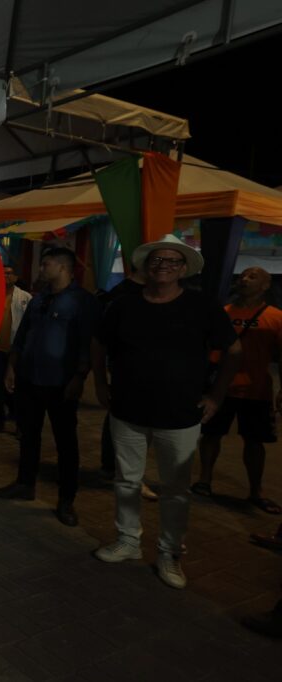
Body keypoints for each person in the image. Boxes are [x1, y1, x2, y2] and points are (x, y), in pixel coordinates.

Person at [92, 234, 240, 589]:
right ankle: (128, 541)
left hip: (181, 414)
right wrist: (100, 383)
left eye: (172, 261)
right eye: (157, 260)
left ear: (183, 269)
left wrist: (216, 397)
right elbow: (98, 343)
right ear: (146, 266)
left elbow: (233, 351)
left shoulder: (202, 307)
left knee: (175, 489)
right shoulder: (124, 305)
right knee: (127, 482)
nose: (163, 266)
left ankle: (169, 552)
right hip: (127, 410)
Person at [0, 247, 98, 527]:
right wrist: (12, 367)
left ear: (63, 267)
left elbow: (87, 344)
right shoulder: (38, 300)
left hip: (61, 383)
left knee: (66, 443)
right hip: (30, 378)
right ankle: (25, 484)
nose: (41, 269)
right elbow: (22, 336)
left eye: (46, 264)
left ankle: (66, 500)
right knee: (28, 434)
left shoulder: (81, 301)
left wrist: (79, 378)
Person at [194, 267, 282, 514]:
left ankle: (256, 491)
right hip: (220, 388)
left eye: (253, 276)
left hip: (256, 390)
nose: (244, 279)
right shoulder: (223, 313)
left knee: (255, 441)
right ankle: (204, 480)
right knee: (211, 435)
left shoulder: (275, 318)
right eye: (243, 275)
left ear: (265, 286)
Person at [0, 265, 31, 433]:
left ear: (16, 277)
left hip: (16, 350)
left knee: (17, 388)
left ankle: (20, 424)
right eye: (2, 273)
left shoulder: (25, 298)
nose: (6, 276)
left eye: (9, 273)